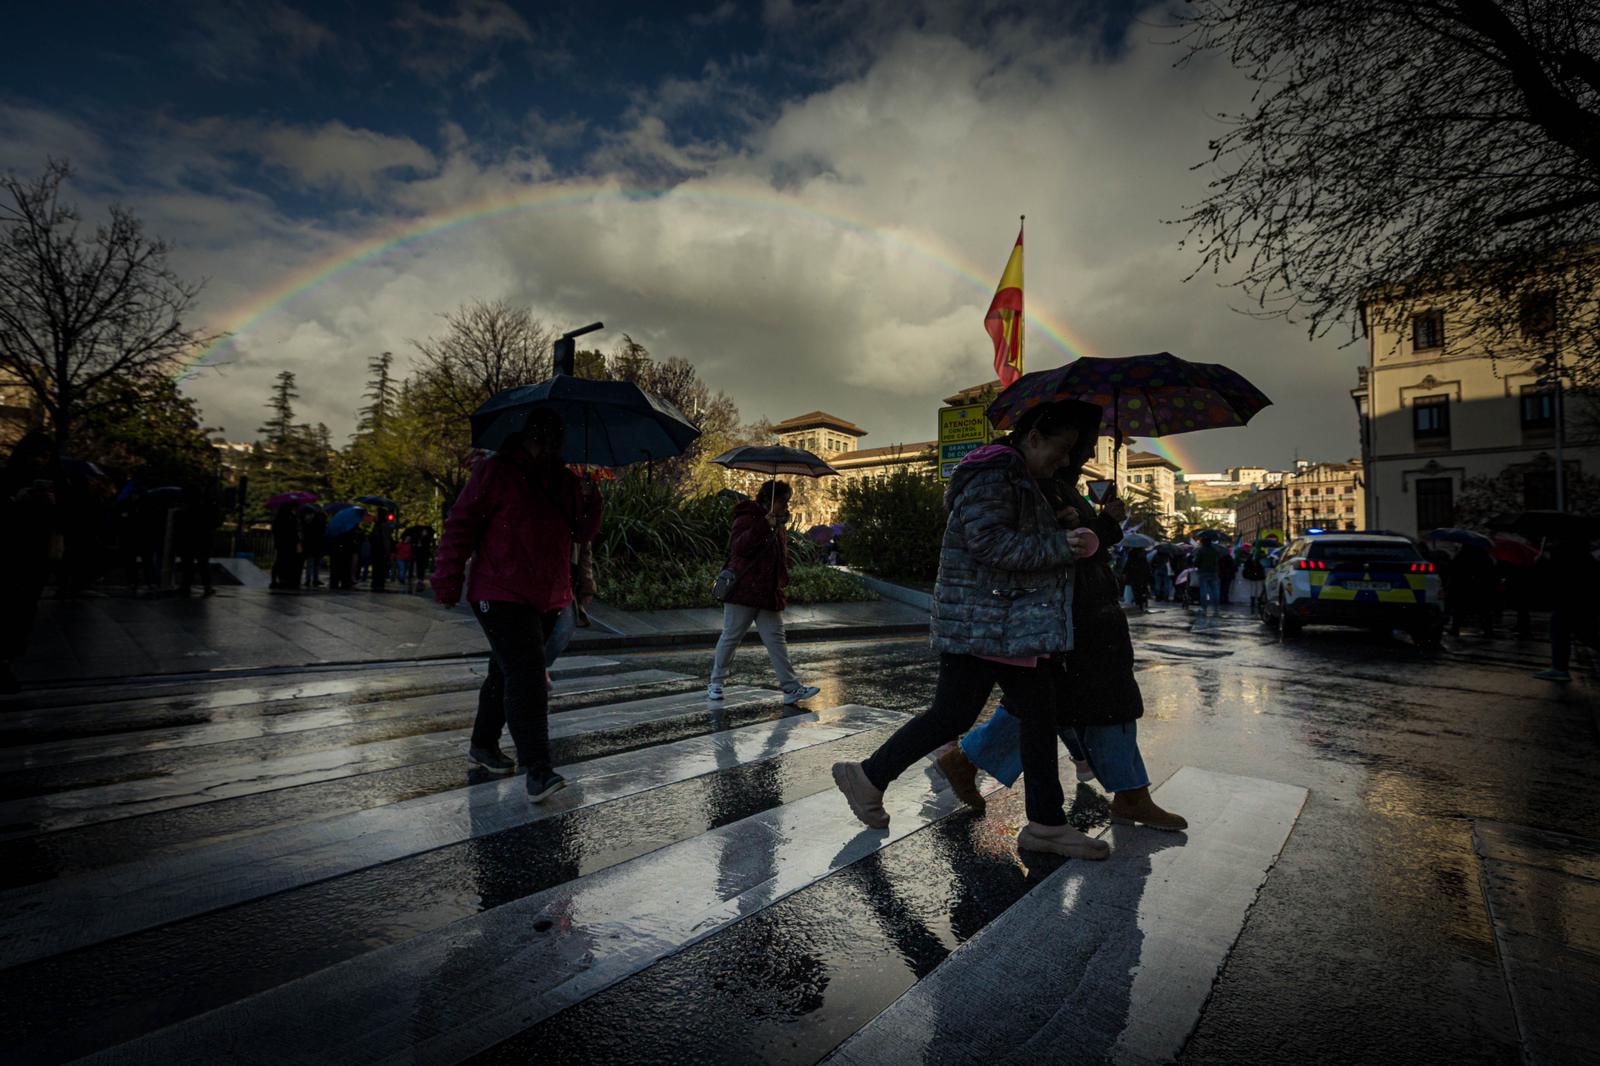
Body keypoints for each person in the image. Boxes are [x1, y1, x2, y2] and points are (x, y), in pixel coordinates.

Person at [831, 399, 1107, 860]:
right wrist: (1060, 543)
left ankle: (871, 777)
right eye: (1058, 451)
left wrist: (1055, 521)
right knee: (991, 715)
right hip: (989, 619)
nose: (1062, 462)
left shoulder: (1020, 476)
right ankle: (1044, 823)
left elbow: (1006, 530)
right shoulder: (996, 473)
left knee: (998, 714)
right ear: (1033, 437)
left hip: (1003, 622)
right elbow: (989, 543)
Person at [937, 434, 1186, 833]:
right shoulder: (1037, 482)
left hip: (1089, 606)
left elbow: (1085, 544)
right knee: (1086, 702)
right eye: (1077, 446)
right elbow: (1057, 546)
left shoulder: (1057, 481)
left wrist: (1101, 523)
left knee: (1059, 704)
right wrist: (1100, 524)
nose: (1083, 454)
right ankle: (1130, 794)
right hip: (1071, 609)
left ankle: (968, 760)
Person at [433, 409, 603, 802]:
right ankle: (538, 769)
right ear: (531, 437)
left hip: (546, 593)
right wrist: (447, 580)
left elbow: (582, 532)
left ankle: (483, 745)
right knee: (527, 674)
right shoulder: (495, 472)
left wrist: (592, 499)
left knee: (505, 670)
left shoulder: (564, 480)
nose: (554, 446)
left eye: (558, 440)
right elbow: (462, 524)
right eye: (548, 439)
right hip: (500, 590)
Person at [708, 481, 822, 705]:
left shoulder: (779, 524)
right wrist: (763, 525)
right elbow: (739, 548)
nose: (786, 506)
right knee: (731, 638)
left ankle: (791, 689)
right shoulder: (747, 517)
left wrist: (782, 579)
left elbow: (779, 556)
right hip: (743, 590)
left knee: (777, 641)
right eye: (783, 501)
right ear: (769, 500)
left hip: (769, 593)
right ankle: (715, 683)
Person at [0, 432, 58, 693]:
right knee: (10, 608)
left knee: (24, 610)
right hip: (9, 552)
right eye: (37, 455)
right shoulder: (7, 478)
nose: (41, 461)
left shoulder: (52, 484)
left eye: (45, 456)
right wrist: (15, 500)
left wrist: (53, 505)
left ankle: (7, 659)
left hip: (34, 555)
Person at [1534, 531, 1599, 682]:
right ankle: (1559, 667)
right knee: (1583, 634)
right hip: (1582, 601)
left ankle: (1560, 668)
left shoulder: (1563, 553)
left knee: (1561, 633)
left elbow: (1556, 577)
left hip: (1568, 600)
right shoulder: (1585, 555)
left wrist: (1541, 563)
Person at [269, 503, 300, 591]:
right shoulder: (291, 518)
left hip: (280, 544)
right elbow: (294, 532)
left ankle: (275, 580)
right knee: (288, 562)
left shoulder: (278, 519)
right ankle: (286, 580)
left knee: (279, 561)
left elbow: (275, 531)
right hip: (289, 544)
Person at [1193, 536, 1221, 621]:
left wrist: (1197, 564)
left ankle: (1204, 607)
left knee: (1204, 591)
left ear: (1203, 542)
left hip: (1203, 572)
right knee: (1215, 590)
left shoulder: (1201, 550)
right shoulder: (1215, 550)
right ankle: (1216, 607)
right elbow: (1218, 560)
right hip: (1213, 572)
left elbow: (1196, 563)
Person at [301, 507, 326, 589]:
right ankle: (315, 579)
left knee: (310, 563)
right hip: (318, 545)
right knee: (316, 564)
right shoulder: (321, 523)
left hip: (309, 545)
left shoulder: (308, 522)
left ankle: (308, 579)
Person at [1122, 544, 1152, 611]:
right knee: (1142, 590)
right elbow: (1147, 567)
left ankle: (1138, 603)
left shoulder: (1131, 554)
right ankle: (1142, 603)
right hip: (1142, 575)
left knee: (1135, 590)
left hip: (1133, 576)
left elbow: (1128, 565)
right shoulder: (1143, 555)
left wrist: (1124, 572)